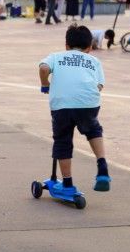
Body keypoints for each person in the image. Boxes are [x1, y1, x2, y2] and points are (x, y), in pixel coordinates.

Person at [39, 25, 111, 194]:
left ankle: (67, 184)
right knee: (93, 129)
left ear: (66, 45)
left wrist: (45, 84)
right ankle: (102, 167)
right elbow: (99, 85)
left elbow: (43, 68)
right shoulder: (94, 61)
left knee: (63, 140)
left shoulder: (56, 57)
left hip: (61, 105)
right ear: (90, 48)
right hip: (88, 103)